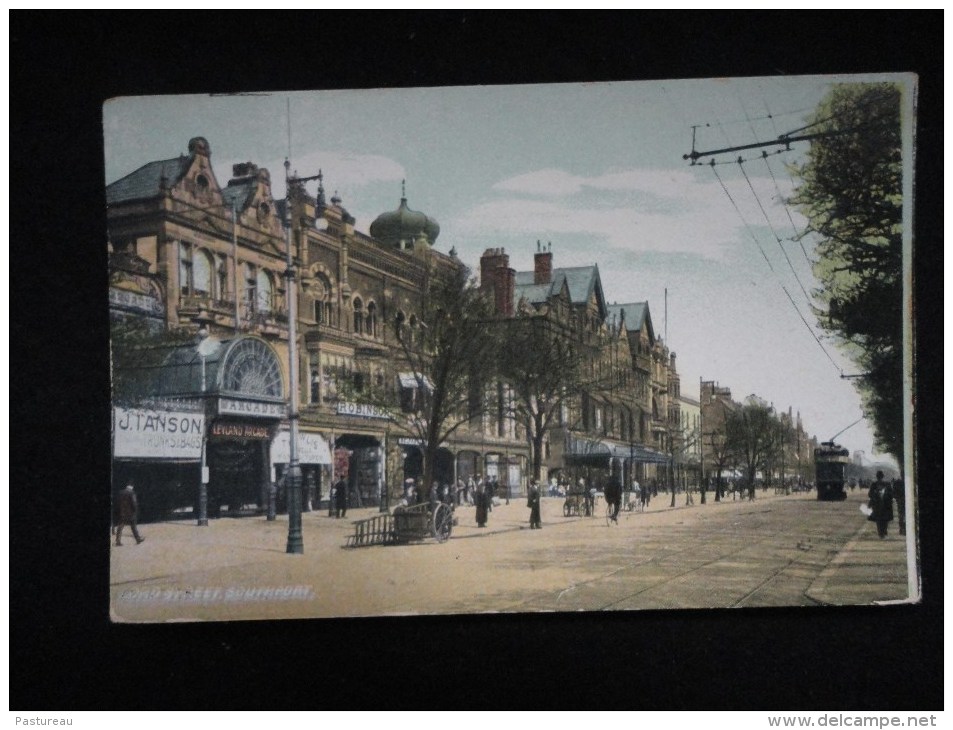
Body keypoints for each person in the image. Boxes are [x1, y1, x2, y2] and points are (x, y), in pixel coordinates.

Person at [867, 471, 894, 538]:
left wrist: (874, 496)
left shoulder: (874, 484)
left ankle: (880, 532)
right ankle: (883, 531)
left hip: (877, 505)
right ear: (883, 476)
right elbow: (891, 494)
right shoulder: (887, 484)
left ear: (877, 476)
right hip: (885, 505)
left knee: (878, 519)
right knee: (885, 519)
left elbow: (870, 494)